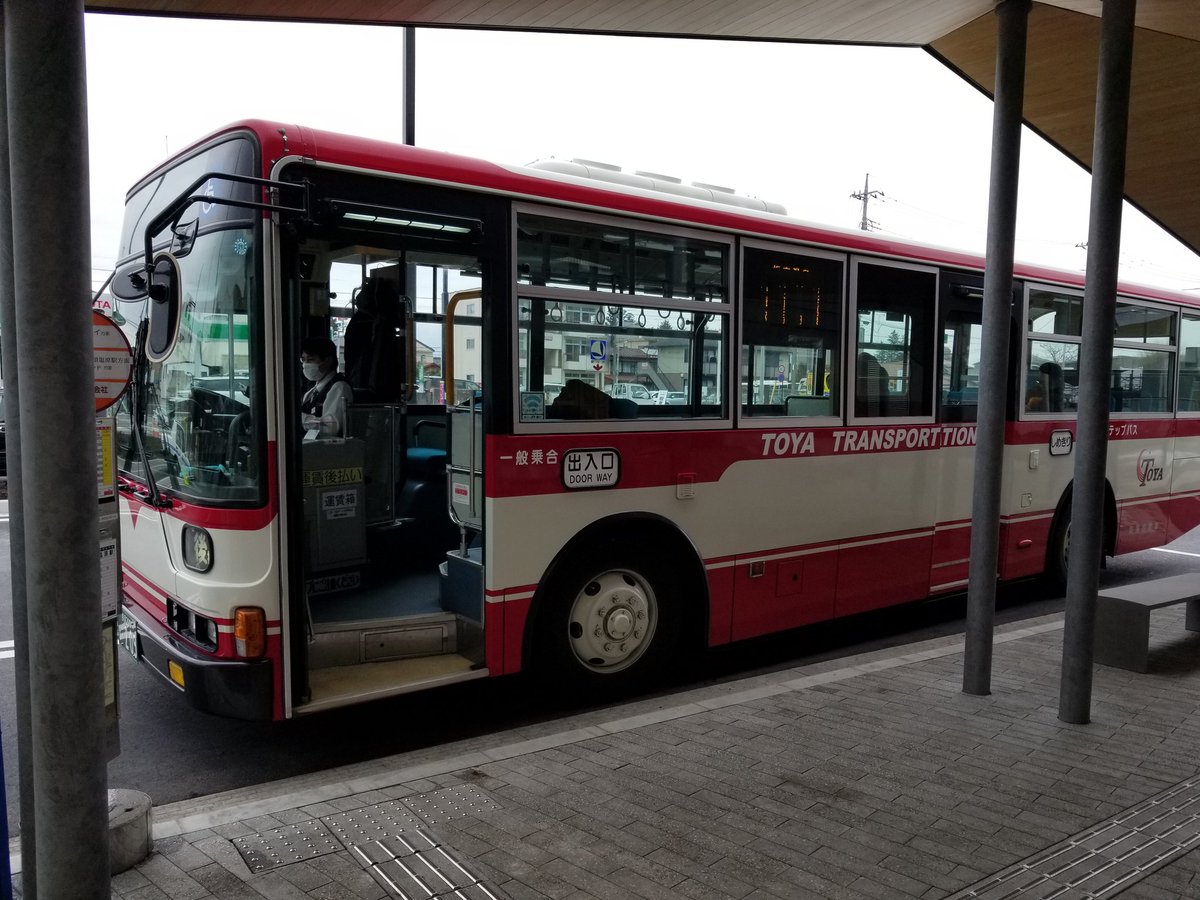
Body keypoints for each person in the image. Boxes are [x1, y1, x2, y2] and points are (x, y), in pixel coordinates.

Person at [300, 336, 351, 437]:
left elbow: (331, 427)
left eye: (310, 360)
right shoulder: (310, 393)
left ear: (327, 360)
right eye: (303, 360)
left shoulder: (339, 387)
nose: (306, 365)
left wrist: (303, 419)